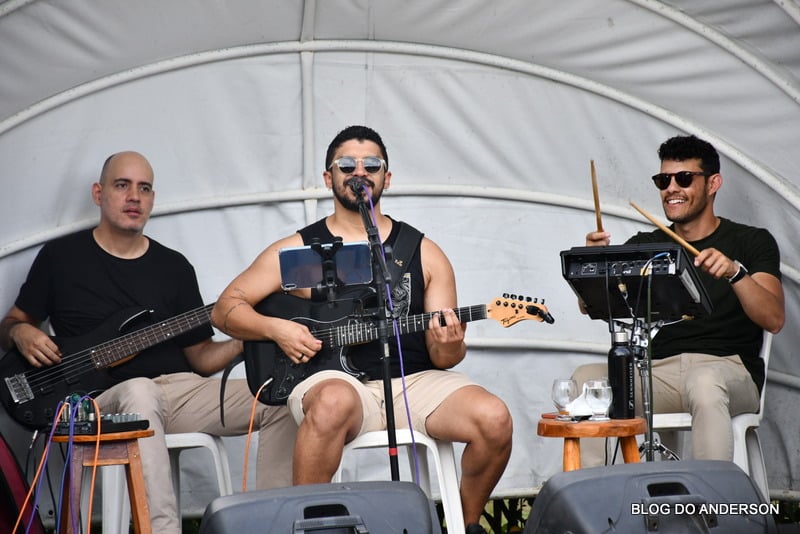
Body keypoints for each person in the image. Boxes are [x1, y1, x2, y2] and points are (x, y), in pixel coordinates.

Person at [211, 125, 512, 534]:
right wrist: (278, 330)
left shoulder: (421, 251)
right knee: (333, 402)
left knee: (494, 418)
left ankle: (463, 523)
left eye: (371, 165)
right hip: (334, 383)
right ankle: (312, 527)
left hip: (414, 383)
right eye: (346, 165)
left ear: (387, 177)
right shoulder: (302, 250)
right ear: (328, 177)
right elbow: (226, 308)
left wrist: (451, 342)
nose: (359, 172)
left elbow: (444, 358)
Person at [0, 151, 296, 533]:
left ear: (153, 199)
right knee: (140, 390)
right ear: (98, 193)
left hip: (179, 392)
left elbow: (201, 358)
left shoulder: (174, 267)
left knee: (281, 397)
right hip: (101, 399)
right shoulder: (61, 257)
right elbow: (12, 323)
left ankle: (275, 524)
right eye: (122, 185)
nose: (134, 197)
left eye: (144, 188)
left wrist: (248, 337)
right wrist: (20, 331)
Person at [571, 134, 784, 463]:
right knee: (587, 380)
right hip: (658, 372)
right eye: (663, 180)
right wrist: (593, 266)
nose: (671, 188)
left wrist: (735, 273)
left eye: (683, 178)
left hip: (728, 370)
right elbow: (592, 308)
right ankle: (595, 494)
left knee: (705, 381)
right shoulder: (645, 244)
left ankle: (710, 496)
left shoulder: (751, 241)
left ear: (713, 183)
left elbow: (774, 318)